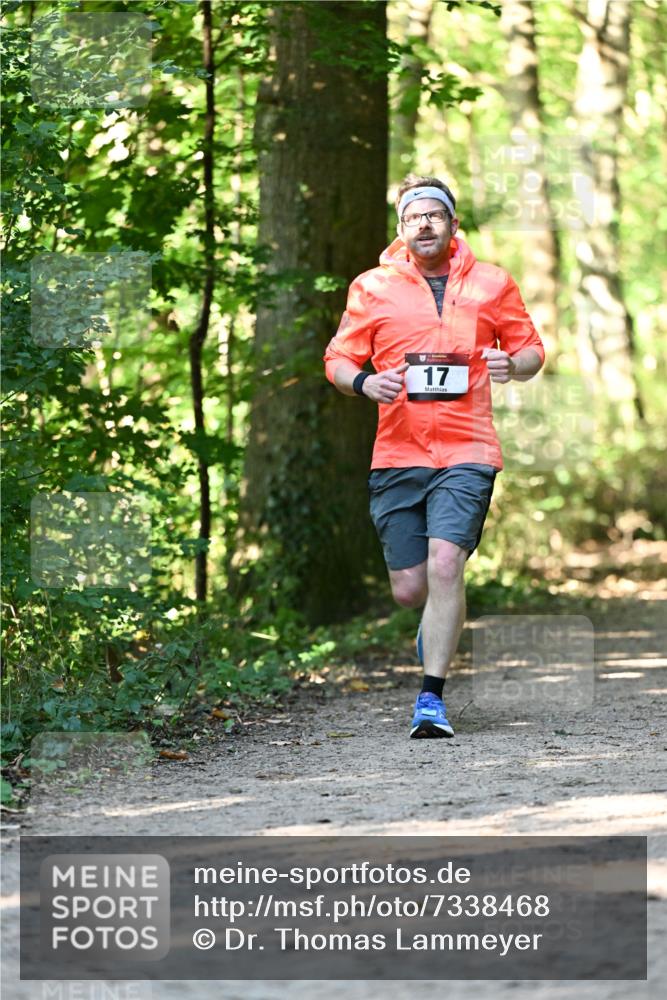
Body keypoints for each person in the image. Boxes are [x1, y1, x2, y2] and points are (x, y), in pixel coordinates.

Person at [323, 174, 545, 739]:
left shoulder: (493, 283)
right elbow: (338, 358)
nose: (424, 224)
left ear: (452, 224)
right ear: (400, 230)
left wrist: (511, 366)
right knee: (411, 589)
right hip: (397, 452)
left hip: (468, 446)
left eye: (434, 215)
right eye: (413, 217)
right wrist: (364, 383)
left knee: (448, 563)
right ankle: (434, 628)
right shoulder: (372, 288)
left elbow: (530, 349)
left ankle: (431, 698)